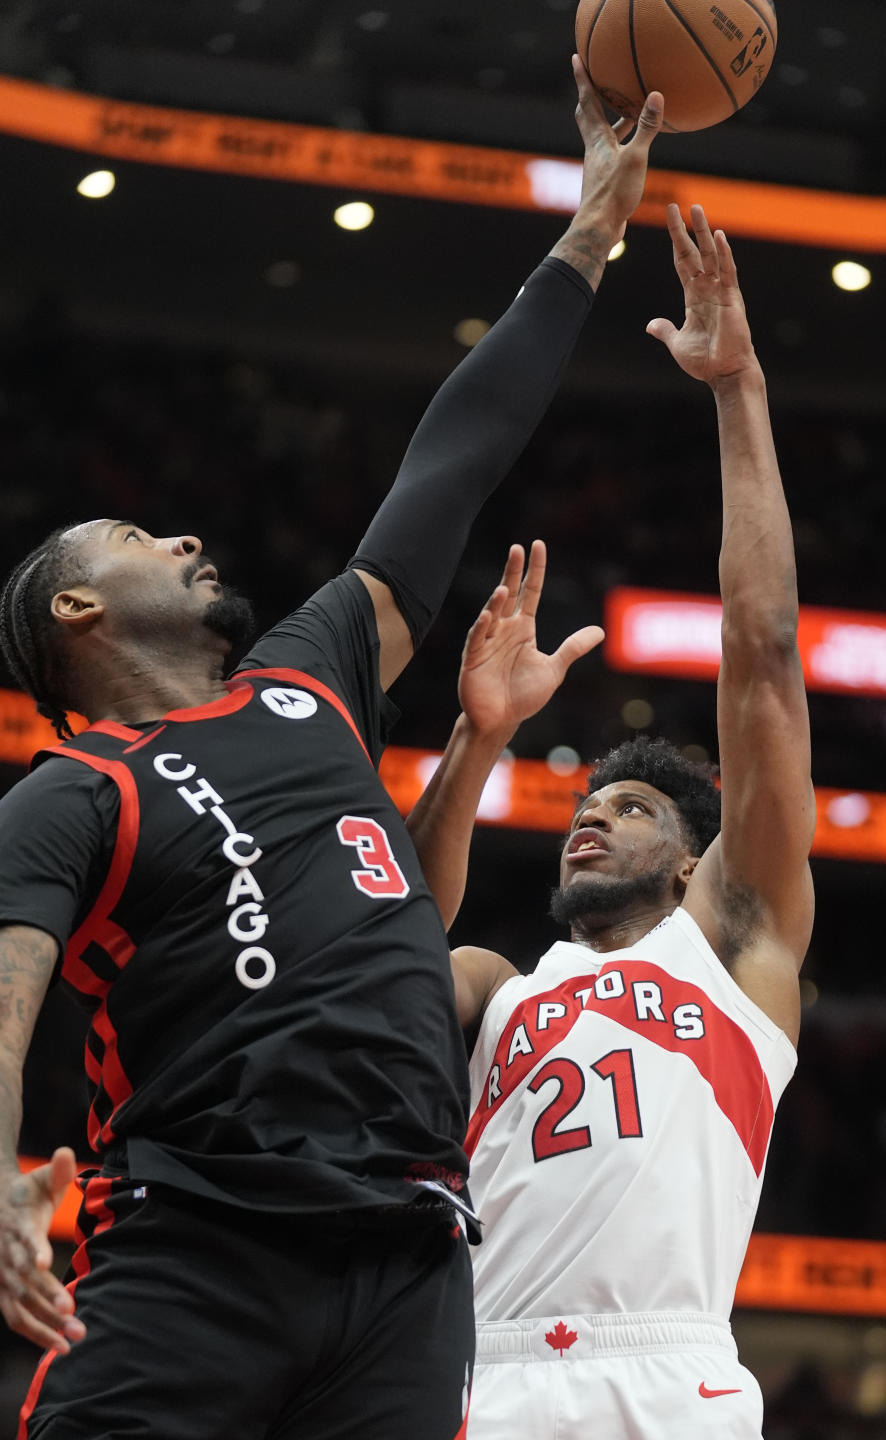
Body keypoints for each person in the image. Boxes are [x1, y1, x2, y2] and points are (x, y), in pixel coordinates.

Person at [0, 63, 664, 1440]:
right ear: (76, 608)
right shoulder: (73, 794)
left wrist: (590, 231)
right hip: (199, 1245)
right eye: (139, 542)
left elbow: (456, 457)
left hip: (408, 1253)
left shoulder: (313, 676)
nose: (185, 540)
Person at [408, 204, 816, 1438]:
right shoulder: (497, 989)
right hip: (483, 1373)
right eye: (585, 805)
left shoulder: (733, 948)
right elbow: (385, 938)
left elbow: (762, 658)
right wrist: (478, 740)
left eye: (630, 808)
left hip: (668, 1374)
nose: (591, 821)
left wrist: (737, 389)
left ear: (695, 857)